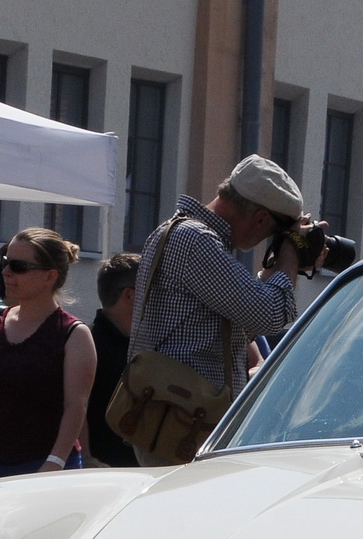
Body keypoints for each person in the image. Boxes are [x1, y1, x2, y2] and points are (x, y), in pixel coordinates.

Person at [128, 155, 326, 465]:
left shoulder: (177, 231)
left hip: (172, 415)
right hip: (183, 420)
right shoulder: (196, 240)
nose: (268, 239)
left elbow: (234, 320)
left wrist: (284, 267)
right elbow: (271, 314)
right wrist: (290, 251)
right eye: (274, 231)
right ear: (260, 218)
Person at [0, 229, 95, 479]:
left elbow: (76, 407)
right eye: (5, 262)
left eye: (18, 266)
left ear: (50, 276)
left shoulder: (74, 334)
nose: (6, 272)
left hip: (45, 468)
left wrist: (55, 462)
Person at [85, 253, 141, 467]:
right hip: (101, 473)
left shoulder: (145, 345)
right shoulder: (87, 345)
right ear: (129, 295)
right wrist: (88, 460)